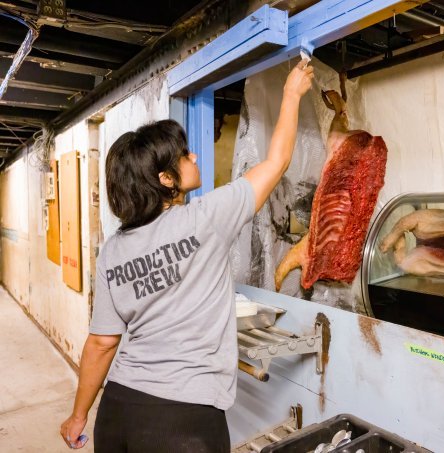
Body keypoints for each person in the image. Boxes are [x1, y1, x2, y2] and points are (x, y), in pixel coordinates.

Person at [59, 60, 314, 452]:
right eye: (184, 155)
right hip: (186, 421)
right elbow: (276, 162)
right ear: (165, 180)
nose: (194, 157)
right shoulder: (206, 218)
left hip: (119, 411)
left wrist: (79, 415)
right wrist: (292, 94)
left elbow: (101, 344)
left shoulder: (113, 250)